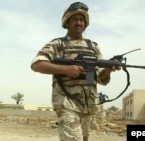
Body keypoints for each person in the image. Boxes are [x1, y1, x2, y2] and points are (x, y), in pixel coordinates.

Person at [31, 2, 120, 141]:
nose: (79, 23)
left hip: (88, 106)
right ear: (67, 22)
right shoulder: (57, 44)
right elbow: (37, 64)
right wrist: (65, 69)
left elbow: (101, 80)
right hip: (66, 103)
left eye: (81, 19)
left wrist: (108, 69)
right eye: (75, 19)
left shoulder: (93, 47)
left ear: (85, 23)